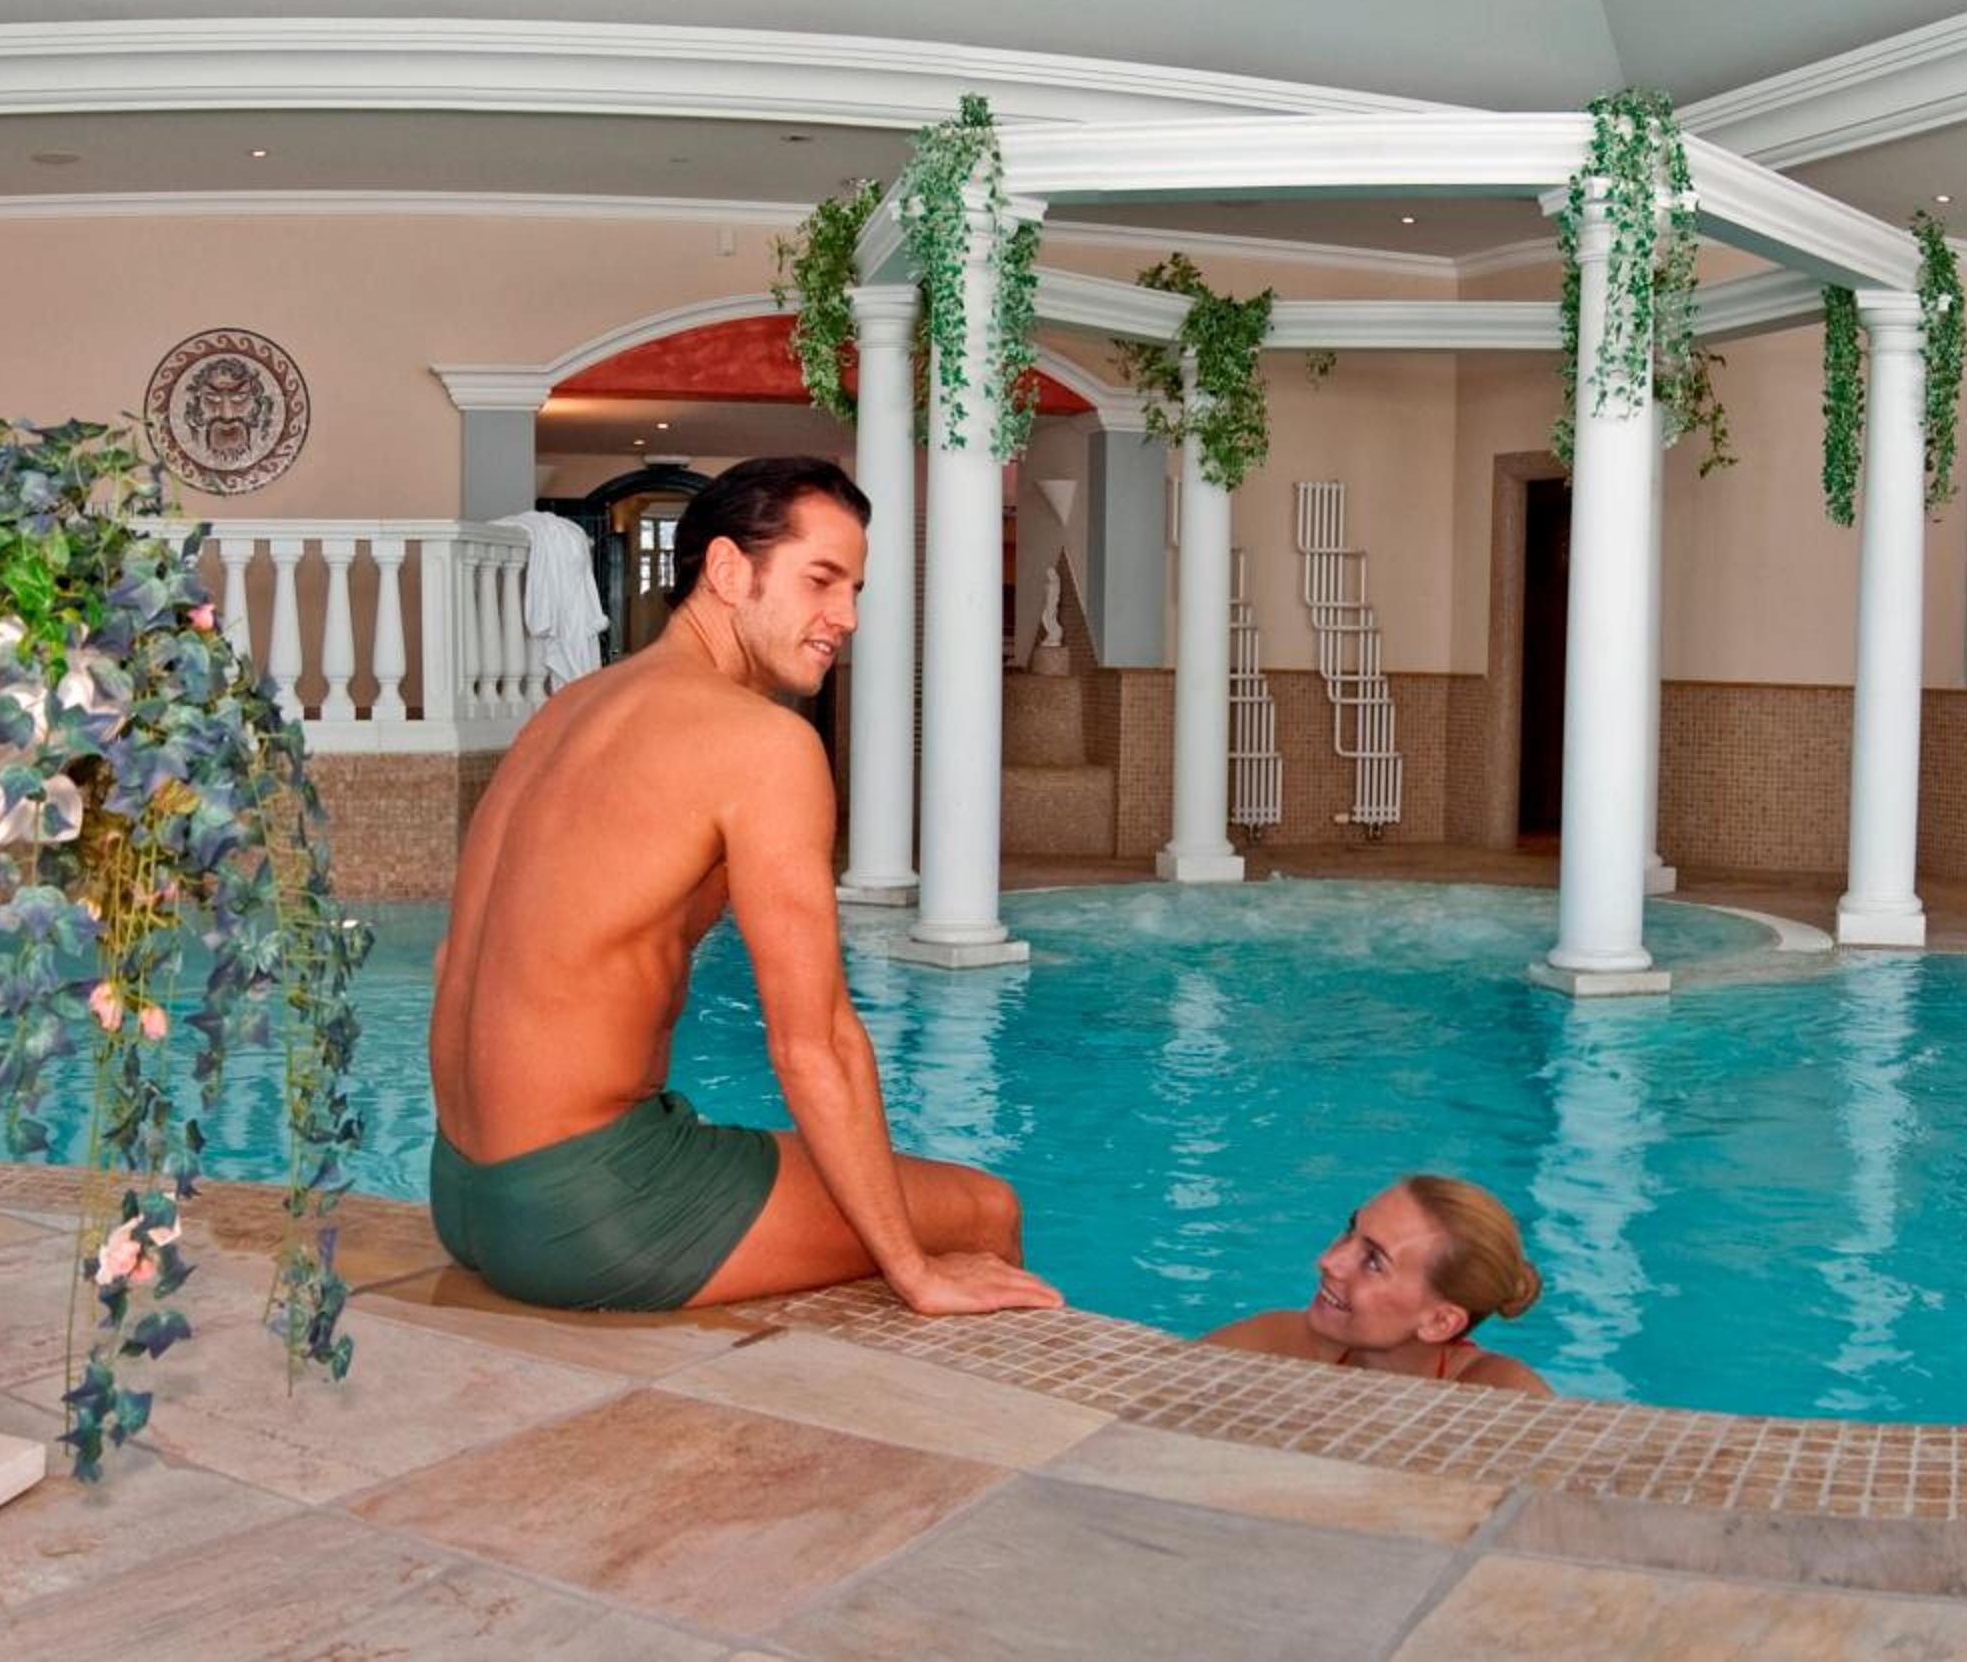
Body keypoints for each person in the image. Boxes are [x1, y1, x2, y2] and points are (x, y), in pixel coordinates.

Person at [428, 455, 1060, 1319]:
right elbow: (814, 1043)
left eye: (856, 590)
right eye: (821, 581)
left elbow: (450, 962)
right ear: (728, 571)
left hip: (463, 1190)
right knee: (986, 1211)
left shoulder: (564, 713)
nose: (847, 617)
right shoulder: (763, 745)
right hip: (586, 1216)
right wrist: (914, 1270)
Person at [1204, 1176, 1551, 1394]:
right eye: (1350, 1231)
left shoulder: (1501, 1397)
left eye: (1373, 1261)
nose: (1329, 1261)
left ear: (1439, 1322)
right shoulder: (1281, 1345)